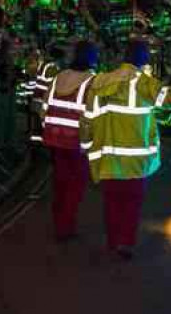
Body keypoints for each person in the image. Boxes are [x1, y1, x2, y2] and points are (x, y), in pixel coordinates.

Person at [79, 40, 171, 260]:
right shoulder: (144, 84)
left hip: (108, 160)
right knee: (131, 205)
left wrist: (85, 147)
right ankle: (125, 243)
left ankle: (113, 241)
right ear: (144, 60)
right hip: (135, 162)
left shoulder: (99, 82)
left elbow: (87, 119)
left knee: (112, 204)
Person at [41, 41, 98, 242]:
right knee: (76, 186)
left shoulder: (59, 77)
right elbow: (92, 114)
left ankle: (59, 222)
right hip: (76, 142)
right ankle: (65, 226)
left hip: (54, 138)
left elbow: (44, 106)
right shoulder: (91, 81)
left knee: (60, 182)